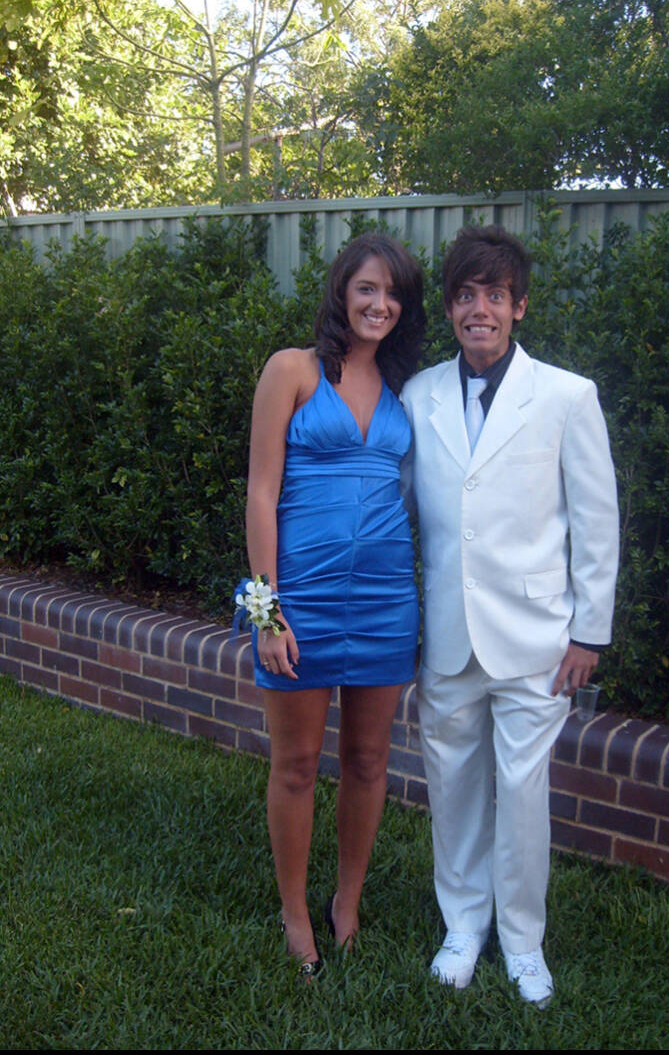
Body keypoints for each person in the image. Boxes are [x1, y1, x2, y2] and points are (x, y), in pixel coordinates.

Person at [400, 224, 619, 1006]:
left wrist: (588, 630)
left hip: (535, 641)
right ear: (450, 309)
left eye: (494, 295)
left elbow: (596, 520)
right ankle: (463, 925)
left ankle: (523, 941)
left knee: (523, 798)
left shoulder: (565, 396)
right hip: (448, 639)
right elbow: (399, 510)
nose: (479, 310)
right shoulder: (419, 395)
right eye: (465, 296)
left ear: (518, 306)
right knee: (452, 785)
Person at [245, 233, 425, 979]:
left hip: (386, 600)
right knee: (294, 766)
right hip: (302, 600)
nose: (379, 304)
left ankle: (345, 902)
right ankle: (295, 913)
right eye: (366, 289)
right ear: (341, 292)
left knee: (368, 761)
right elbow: (260, 494)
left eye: (393, 294)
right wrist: (266, 613)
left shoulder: (405, 388)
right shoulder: (291, 369)